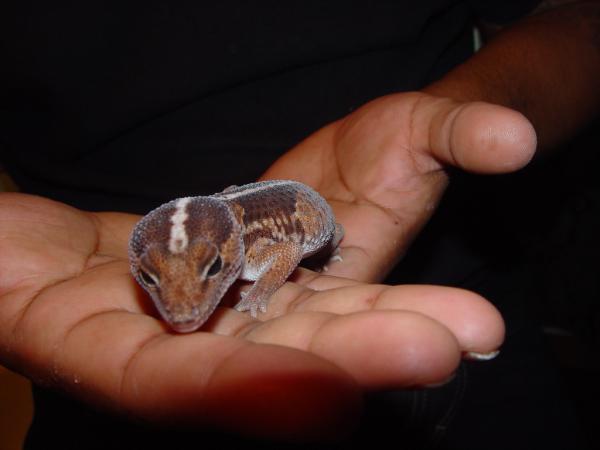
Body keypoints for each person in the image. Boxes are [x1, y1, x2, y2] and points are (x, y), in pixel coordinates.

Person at [0, 0, 598, 448]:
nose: (183, 308)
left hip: (445, 287)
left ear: (231, 249)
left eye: (209, 272)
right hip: (90, 374)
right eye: (153, 283)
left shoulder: (260, 248)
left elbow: (577, 18)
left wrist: (259, 292)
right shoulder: (189, 248)